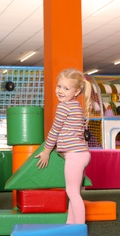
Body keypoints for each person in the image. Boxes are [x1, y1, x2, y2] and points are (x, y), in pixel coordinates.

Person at [35, 68, 92, 224]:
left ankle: (79, 228)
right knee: (74, 192)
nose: (60, 91)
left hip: (75, 154)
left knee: (72, 192)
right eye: (59, 86)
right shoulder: (75, 106)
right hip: (80, 154)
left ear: (77, 91)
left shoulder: (64, 107)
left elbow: (55, 129)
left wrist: (47, 151)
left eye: (66, 88)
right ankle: (70, 224)